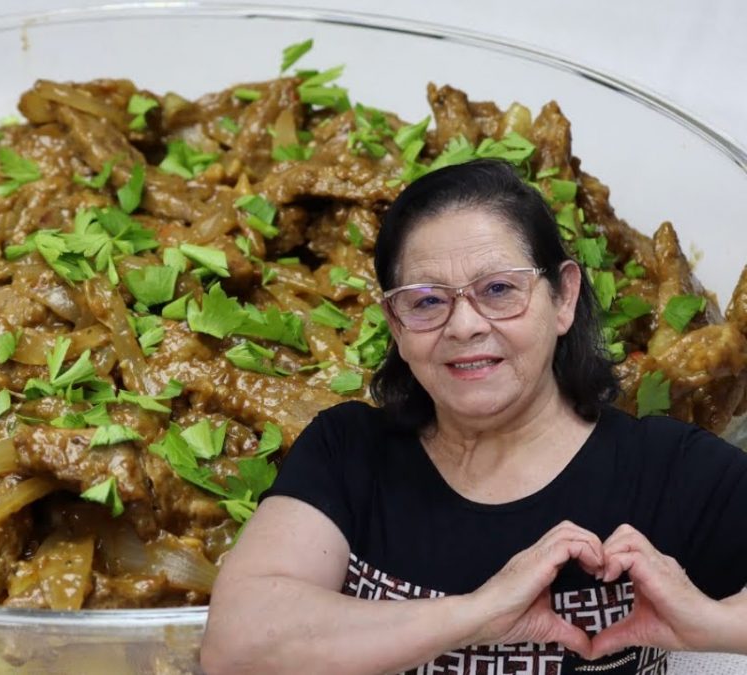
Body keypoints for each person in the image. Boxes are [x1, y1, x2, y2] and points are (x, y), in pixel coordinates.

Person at [200, 158, 747, 675]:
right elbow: (236, 646)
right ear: (395, 321)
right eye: (426, 301)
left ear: (563, 298)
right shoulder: (347, 450)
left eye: (499, 290)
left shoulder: (666, 467)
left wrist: (716, 623)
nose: (464, 326)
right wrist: (475, 615)